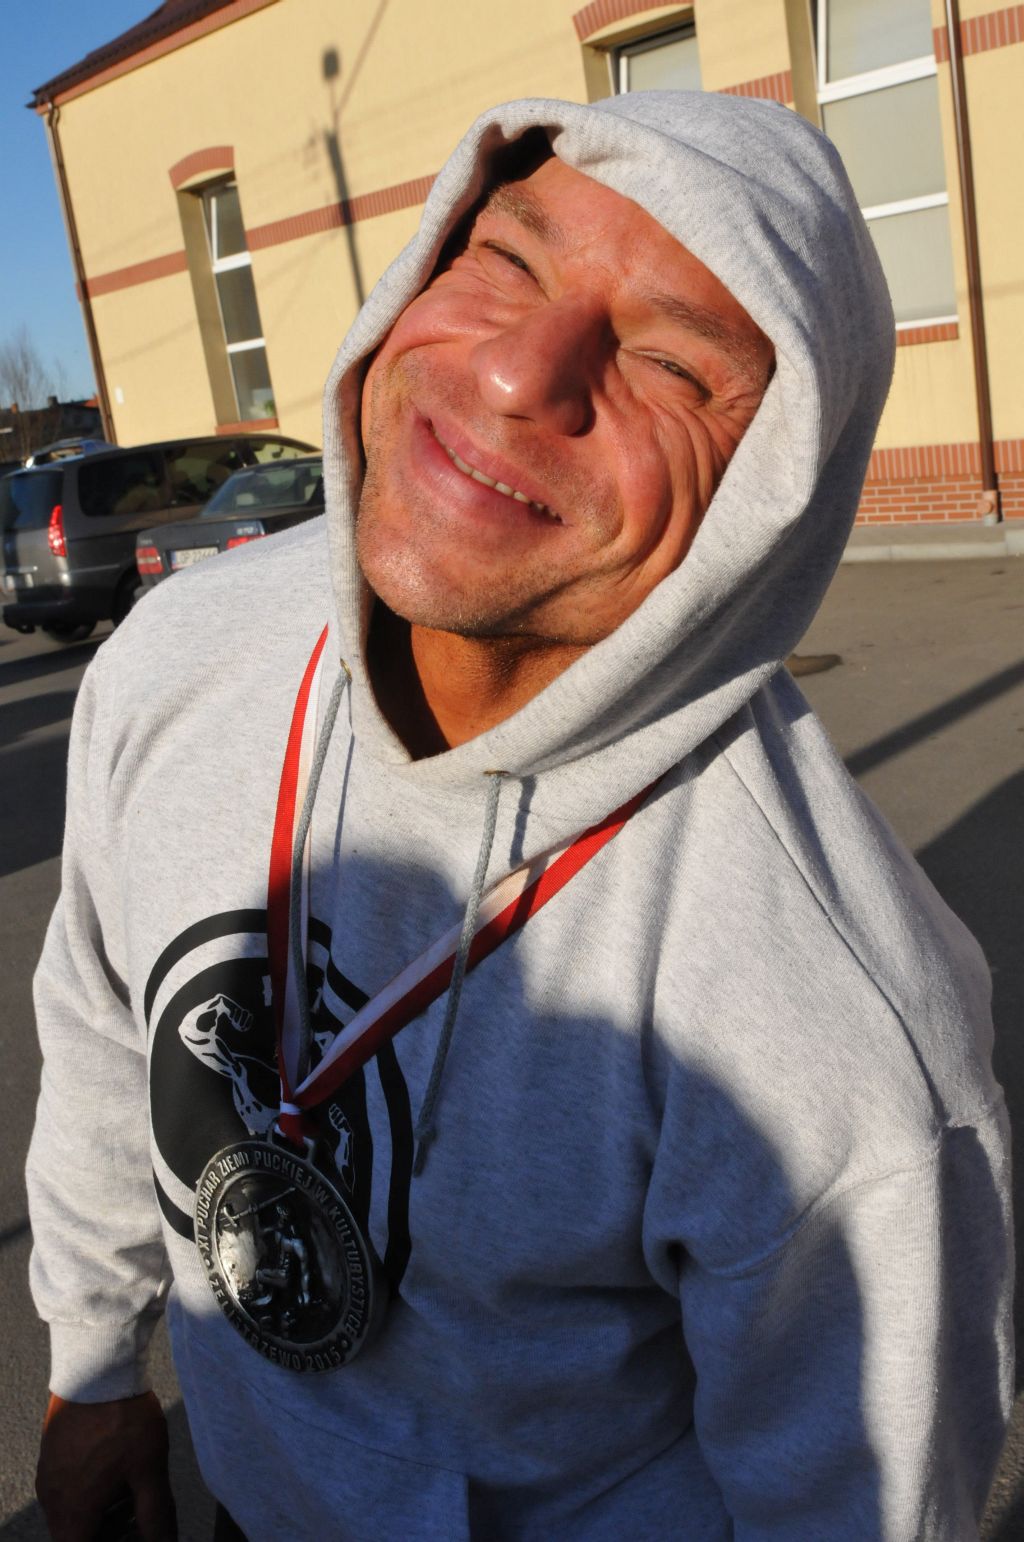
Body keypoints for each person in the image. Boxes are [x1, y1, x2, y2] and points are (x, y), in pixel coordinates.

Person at [29, 91, 1012, 1541]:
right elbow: (102, 1019)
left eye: (671, 363)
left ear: (775, 487)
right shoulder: (181, 659)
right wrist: (94, 1363)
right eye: (504, 260)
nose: (515, 374)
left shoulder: (834, 1034)